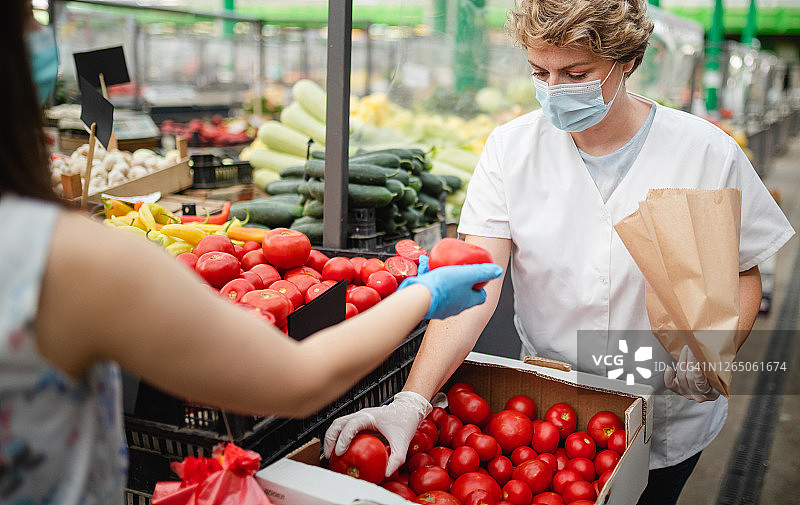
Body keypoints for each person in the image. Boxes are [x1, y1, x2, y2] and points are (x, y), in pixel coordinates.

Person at [0, 2, 504, 503]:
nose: (44, 34)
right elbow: (297, 379)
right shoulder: (74, 260)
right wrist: (422, 296)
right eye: (33, 20)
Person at [324, 1, 794, 504]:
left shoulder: (705, 152)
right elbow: (476, 285)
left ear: (627, 61)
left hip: (671, 409)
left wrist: (716, 350)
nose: (554, 89)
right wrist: (412, 401)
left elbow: (743, 272)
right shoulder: (510, 149)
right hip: (551, 412)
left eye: (576, 73)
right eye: (538, 71)